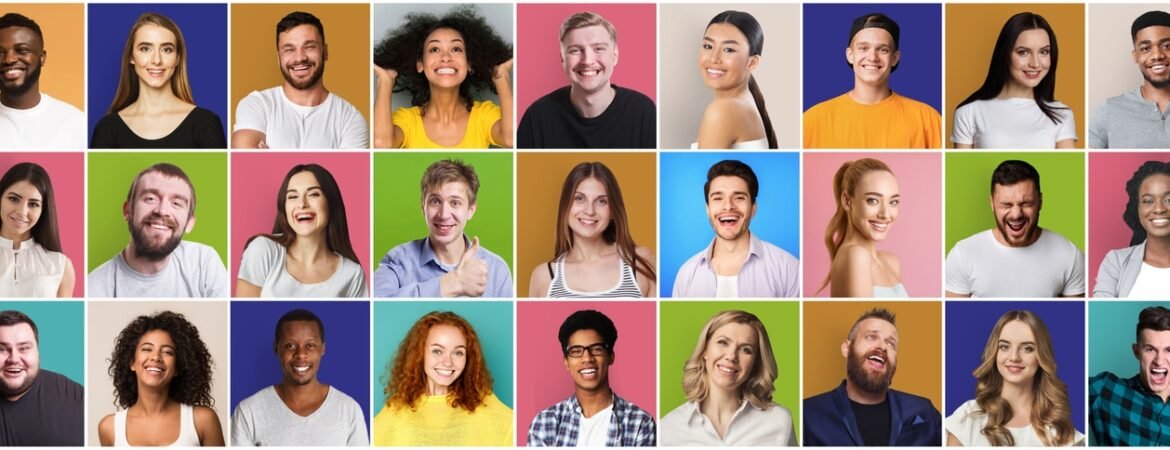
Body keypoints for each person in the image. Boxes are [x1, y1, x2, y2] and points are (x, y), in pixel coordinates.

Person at [372, 5, 513, 149]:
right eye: (434, 49)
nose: (446, 57)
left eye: (456, 49)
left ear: (469, 63)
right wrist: (385, 80)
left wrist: (501, 77)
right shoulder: (408, 120)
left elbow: (512, 139)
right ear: (420, 64)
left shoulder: (483, 115)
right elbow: (381, 145)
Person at [945, 160, 1085, 298]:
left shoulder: (1070, 256)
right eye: (1006, 204)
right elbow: (956, 318)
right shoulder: (963, 254)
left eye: (1026, 203)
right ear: (992, 203)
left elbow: (1074, 318)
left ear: (1040, 202)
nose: (1016, 214)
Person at [373, 159, 512, 297]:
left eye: (455, 203)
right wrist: (454, 282)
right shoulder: (398, 261)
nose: (444, 214)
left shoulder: (497, 270)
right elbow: (375, 306)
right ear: (423, 207)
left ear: (471, 210)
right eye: (435, 201)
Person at [804, 308, 942, 446]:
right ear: (847, 348)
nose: (882, 346)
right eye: (871, 337)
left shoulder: (924, 410)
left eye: (891, 343)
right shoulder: (808, 414)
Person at [88, 163, 229, 298]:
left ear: (189, 222)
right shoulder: (94, 288)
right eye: (150, 199)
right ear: (127, 211)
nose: (162, 211)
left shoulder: (204, 262)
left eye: (176, 203)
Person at [517, 12, 656, 149]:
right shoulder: (537, 116)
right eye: (575, 50)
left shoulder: (644, 112)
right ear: (562, 59)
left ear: (615, 55)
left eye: (598, 49)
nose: (587, 61)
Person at [803, 13, 942, 149]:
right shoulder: (813, 120)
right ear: (850, 55)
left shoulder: (927, 119)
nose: (872, 57)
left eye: (883, 50)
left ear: (895, 58)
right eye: (863, 48)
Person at [372, 311, 512, 446]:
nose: (448, 362)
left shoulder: (483, 401)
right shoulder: (397, 408)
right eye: (437, 351)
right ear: (420, 353)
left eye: (458, 353)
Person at [231, 308, 368, 446]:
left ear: (323, 349)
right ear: (276, 349)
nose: (301, 354)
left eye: (310, 345)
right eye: (290, 346)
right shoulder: (248, 412)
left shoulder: (349, 410)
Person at [946, 310, 1083, 446]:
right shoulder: (967, 418)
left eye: (1027, 348)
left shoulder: (1061, 433)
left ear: (1041, 356)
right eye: (1005, 346)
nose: (1014, 357)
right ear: (995, 352)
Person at [232, 11, 367, 149]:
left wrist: (269, 160)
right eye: (289, 50)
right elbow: (245, 166)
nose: (300, 58)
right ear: (279, 58)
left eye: (309, 47)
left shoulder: (350, 118)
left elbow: (347, 171)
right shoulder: (257, 104)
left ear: (325, 51)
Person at [660, 310, 795, 446]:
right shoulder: (668, 429)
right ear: (705, 350)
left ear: (755, 363)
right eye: (723, 342)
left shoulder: (780, 421)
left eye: (745, 349)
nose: (731, 356)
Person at [91, 12, 226, 149]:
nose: (157, 60)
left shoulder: (206, 124)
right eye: (145, 49)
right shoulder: (107, 129)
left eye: (166, 50)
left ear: (178, 58)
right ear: (131, 57)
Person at [527, 310, 656, 446]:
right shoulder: (544, 423)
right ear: (566, 362)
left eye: (596, 349)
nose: (587, 358)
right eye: (576, 351)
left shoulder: (639, 423)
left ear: (611, 356)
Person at [528, 161, 656, 298]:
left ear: (612, 210)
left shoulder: (642, 263)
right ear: (565, 206)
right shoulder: (543, 277)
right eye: (579, 198)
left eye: (601, 201)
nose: (590, 211)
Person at [237, 164, 366, 298]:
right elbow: (243, 316)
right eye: (293, 197)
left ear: (331, 203)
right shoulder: (262, 249)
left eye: (313, 194)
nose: (302, 204)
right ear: (284, 207)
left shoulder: (353, 274)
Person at [673, 160, 798, 298]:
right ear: (707, 209)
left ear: (753, 208)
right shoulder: (686, 273)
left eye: (739, 198)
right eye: (718, 198)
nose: (728, 206)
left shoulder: (788, 267)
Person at [98, 311, 225, 446]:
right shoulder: (109, 428)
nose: (156, 357)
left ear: (177, 367)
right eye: (147, 349)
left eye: (167, 352)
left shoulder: (202, 421)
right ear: (132, 362)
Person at [952, 13, 1075, 149]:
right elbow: (962, 169)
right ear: (1005, 54)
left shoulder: (1062, 114)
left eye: (1044, 52)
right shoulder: (969, 112)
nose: (1035, 63)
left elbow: (1066, 169)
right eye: (1023, 52)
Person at [818, 158, 906, 298]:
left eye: (893, 202)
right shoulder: (855, 256)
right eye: (873, 201)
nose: (885, 214)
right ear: (847, 201)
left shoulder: (891, 262)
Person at [0, 13, 85, 149]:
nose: (9, 59)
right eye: (0, 52)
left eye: (21, 50)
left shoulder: (75, 123)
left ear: (42, 58)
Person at [693, 11, 776, 149]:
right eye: (708, 46)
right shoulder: (745, 102)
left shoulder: (722, 110)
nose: (713, 58)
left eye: (728, 49)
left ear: (752, 62)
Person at [1089, 306, 1170, 445]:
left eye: (1168, 350)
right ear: (1136, 352)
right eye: (1150, 349)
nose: (1159, 361)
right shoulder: (1105, 390)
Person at [0, 310, 83, 446]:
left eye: (24, 348)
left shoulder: (76, 397)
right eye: (2, 349)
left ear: (37, 352)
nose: (14, 359)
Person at [1089, 11, 1170, 149]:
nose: (1157, 55)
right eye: (1146, 48)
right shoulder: (1110, 109)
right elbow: (1089, 163)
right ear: (1135, 56)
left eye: (1167, 46)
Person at [1096, 161, 1170, 298]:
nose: (1159, 209)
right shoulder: (1115, 262)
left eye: (1168, 200)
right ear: (1137, 208)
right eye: (1148, 201)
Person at [0, 163, 74, 298]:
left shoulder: (60, 265)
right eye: (13, 199)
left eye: (33, 204)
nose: (22, 212)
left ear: (43, 210)